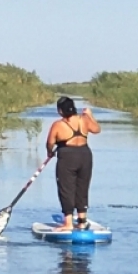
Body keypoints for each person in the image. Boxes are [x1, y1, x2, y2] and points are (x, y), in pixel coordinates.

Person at [45, 96, 101, 232]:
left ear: (60, 111)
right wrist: (90, 115)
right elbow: (97, 129)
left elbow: (50, 143)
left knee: (66, 188)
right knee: (82, 187)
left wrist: (50, 152)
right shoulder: (84, 119)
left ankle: (68, 223)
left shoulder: (58, 125)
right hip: (85, 155)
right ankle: (82, 221)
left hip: (67, 157)